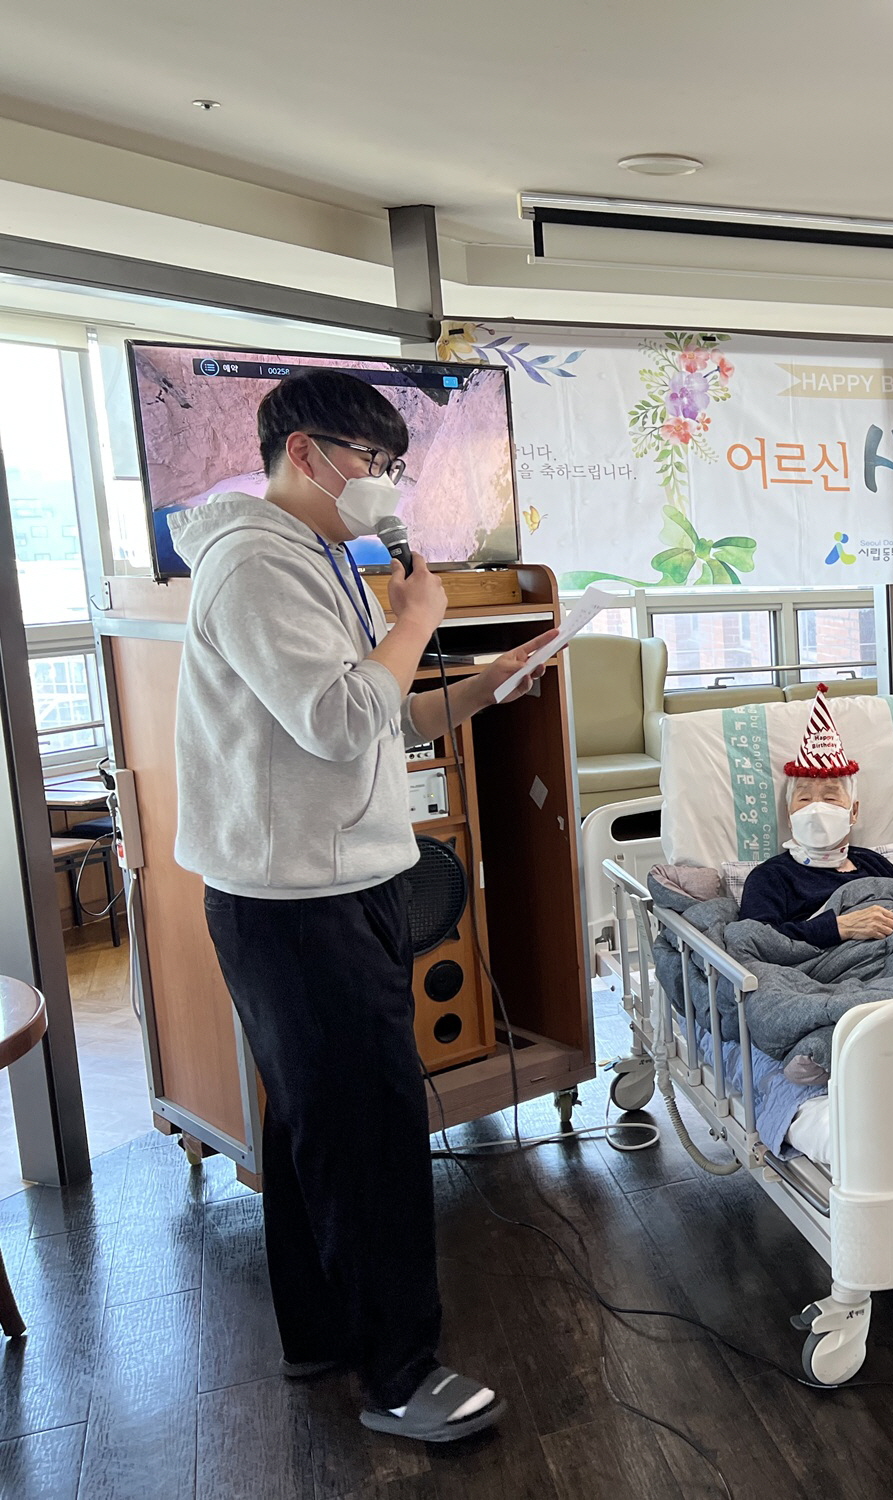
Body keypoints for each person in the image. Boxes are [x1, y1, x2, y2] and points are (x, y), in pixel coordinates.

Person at [171, 369, 562, 1444]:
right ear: (303, 452)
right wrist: (420, 620)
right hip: (300, 903)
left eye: (394, 465)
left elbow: (377, 717)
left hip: (339, 884)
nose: (387, 482)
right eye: (373, 461)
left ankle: (321, 1334)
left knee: (316, 1124)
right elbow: (343, 722)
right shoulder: (255, 562)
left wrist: (483, 685)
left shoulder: (314, 557)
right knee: (370, 1137)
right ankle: (399, 1377)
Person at [738, 685, 893, 946]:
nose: (816, 808)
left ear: (853, 812)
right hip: (834, 962)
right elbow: (753, 941)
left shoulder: (876, 864)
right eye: (804, 799)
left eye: (830, 798)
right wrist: (839, 927)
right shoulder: (771, 877)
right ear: (789, 815)